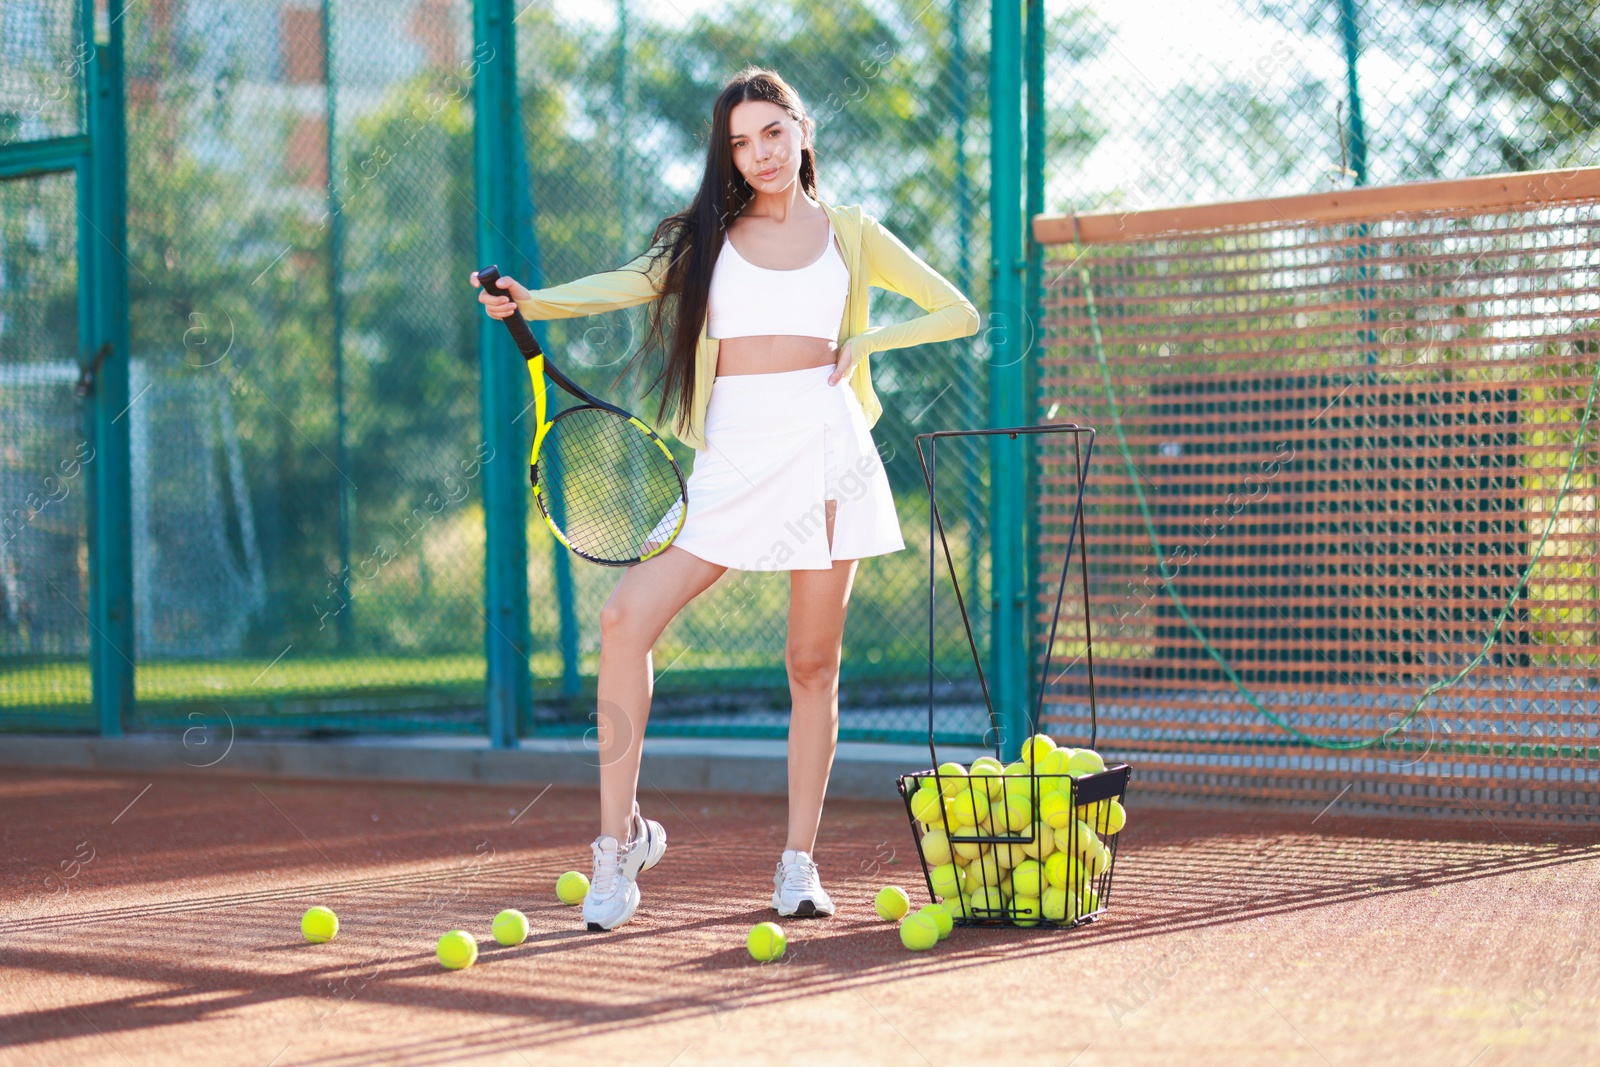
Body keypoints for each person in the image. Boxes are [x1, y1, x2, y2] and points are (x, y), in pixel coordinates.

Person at [471, 65, 978, 931]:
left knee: (812, 665)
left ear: (802, 129)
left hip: (826, 451)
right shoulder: (709, 235)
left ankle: (797, 864)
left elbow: (960, 311)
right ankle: (616, 842)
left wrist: (869, 338)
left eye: (772, 133)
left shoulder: (852, 233)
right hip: (733, 455)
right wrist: (535, 301)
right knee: (626, 617)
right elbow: (631, 280)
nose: (759, 154)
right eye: (740, 143)